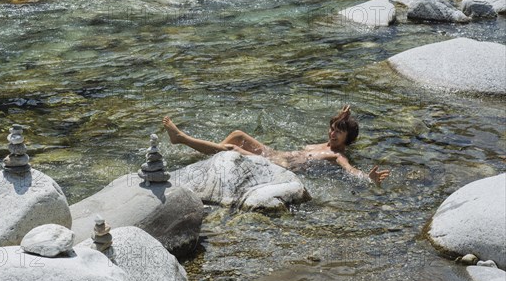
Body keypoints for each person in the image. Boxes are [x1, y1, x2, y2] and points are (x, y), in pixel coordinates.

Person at [162, 105, 390, 185]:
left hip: (275, 167)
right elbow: (338, 128)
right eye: (332, 129)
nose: (332, 134)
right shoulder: (328, 142)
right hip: (273, 154)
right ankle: (214, 159)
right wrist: (342, 117)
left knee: (233, 150)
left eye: (338, 133)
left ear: (347, 140)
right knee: (238, 135)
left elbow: (350, 170)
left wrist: (367, 178)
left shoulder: (338, 155)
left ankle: (181, 138)